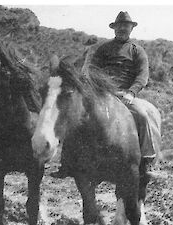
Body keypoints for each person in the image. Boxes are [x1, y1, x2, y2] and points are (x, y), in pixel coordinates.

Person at [52, 11, 161, 180]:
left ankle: (145, 163)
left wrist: (131, 93)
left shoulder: (137, 51)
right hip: (102, 93)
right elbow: (93, 70)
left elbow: (142, 76)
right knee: (75, 113)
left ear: (131, 28)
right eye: (119, 26)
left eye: (126, 26)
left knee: (142, 115)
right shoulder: (103, 48)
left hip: (126, 94)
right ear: (114, 28)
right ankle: (66, 162)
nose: (122, 29)